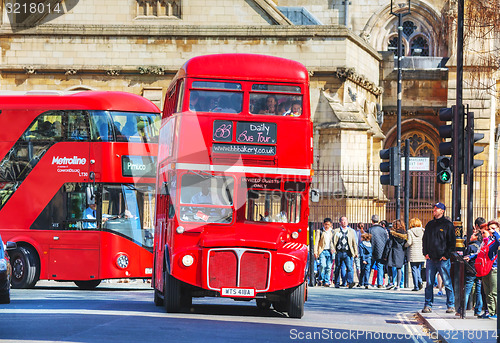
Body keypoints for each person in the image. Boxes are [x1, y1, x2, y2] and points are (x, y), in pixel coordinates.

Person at [421, 202, 456, 314]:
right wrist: (425, 253)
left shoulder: (448, 225)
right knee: (429, 283)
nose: (434, 210)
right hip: (431, 258)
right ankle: (428, 305)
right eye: (434, 208)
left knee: (447, 282)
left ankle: (451, 305)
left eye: (437, 209)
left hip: (442, 259)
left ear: (442, 211)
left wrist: (446, 255)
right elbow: (425, 240)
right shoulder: (430, 224)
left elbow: (452, 242)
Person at [467, 220, 499, 319]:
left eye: (494, 228)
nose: (492, 231)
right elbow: (480, 253)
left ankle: (497, 312)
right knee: (487, 292)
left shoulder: (496, 239)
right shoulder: (487, 240)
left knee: (494, 292)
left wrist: (496, 233)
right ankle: (491, 312)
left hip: (494, 268)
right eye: (490, 229)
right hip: (485, 268)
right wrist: (471, 257)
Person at [459, 228, 483, 317]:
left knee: (467, 291)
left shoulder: (470, 247)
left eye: (473, 235)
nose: (471, 236)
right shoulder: (481, 246)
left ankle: (462, 310)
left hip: (471, 271)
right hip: (479, 271)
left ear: (476, 237)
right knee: (478, 291)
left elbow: (465, 258)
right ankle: (478, 310)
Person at [332, 216, 358, 288]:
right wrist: (333, 249)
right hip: (339, 252)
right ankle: (337, 282)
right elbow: (332, 241)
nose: (344, 222)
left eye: (345, 220)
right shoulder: (336, 231)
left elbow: (354, 242)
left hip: (348, 252)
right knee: (337, 267)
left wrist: (356, 252)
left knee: (349, 267)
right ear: (340, 222)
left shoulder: (351, 231)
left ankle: (350, 282)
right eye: (342, 221)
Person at [386, 219, 407, 290]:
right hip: (401, 251)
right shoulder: (404, 234)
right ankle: (398, 285)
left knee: (389, 266)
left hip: (393, 251)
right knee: (399, 268)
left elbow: (390, 243)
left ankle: (391, 282)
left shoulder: (392, 234)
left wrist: (386, 253)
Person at [369, 214, 389, 288]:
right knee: (380, 267)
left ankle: (366, 282)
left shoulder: (370, 229)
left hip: (372, 250)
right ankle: (380, 283)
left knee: (369, 267)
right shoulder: (383, 230)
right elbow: (386, 240)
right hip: (381, 251)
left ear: (372, 221)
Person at [406, 217, 425, 291]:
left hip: (413, 252)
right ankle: (420, 281)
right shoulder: (423, 231)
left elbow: (409, 242)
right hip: (421, 252)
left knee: (414, 269)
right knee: (419, 269)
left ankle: (416, 286)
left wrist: (405, 245)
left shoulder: (410, 231)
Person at [313, 218, 334, 287]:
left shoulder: (332, 232)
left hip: (330, 251)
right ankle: (321, 279)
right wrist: (315, 251)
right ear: (323, 224)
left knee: (329, 267)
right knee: (322, 265)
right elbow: (316, 242)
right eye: (325, 224)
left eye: (328, 224)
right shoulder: (320, 231)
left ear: (331, 224)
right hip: (322, 251)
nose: (327, 226)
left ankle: (327, 281)